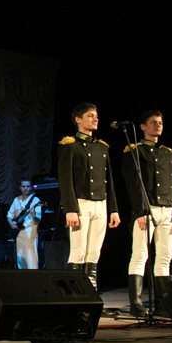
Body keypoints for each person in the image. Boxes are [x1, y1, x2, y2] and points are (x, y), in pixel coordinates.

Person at [122, 110, 172, 317]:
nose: (158, 125)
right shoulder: (135, 150)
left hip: (168, 209)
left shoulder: (168, 152)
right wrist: (139, 211)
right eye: (153, 122)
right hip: (147, 210)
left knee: (165, 257)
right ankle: (136, 302)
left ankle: (163, 303)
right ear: (143, 127)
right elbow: (133, 184)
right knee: (140, 255)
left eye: (160, 122)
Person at [58, 103, 120, 290]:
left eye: (96, 116)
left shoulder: (102, 147)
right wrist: (70, 209)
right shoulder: (70, 145)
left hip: (101, 204)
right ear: (78, 119)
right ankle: (75, 292)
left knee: (94, 252)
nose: (95, 119)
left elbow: (109, 181)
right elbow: (66, 180)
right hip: (81, 204)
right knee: (78, 250)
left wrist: (114, 209)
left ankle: (91, 290)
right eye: (90, 116)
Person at [7, 178, 43, 269]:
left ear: (31, 187)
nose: (25, 188)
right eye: (23, 186)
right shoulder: (16, 200)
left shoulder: (35, 200)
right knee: (20, 259)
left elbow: (37, 221)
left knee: (31, 258)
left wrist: (33, 215)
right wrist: (11, 223)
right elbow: (10, 215)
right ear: (20, 187)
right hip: (18, 233)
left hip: (30, 233)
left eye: (27, 186)